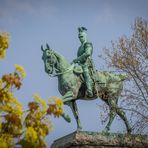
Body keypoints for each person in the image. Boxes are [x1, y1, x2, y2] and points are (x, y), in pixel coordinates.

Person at [73, 27, 94, 97]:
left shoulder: (88, 44)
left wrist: (77, 59)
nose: (80, 38)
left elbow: (87, 53)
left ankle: (90, 90)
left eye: (81, 36)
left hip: (87, 64)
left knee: (86, 73)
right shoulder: (79, 47)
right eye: (79, 37)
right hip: (80, 64)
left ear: (85, 36)